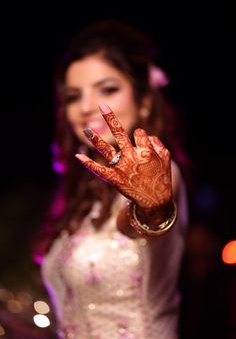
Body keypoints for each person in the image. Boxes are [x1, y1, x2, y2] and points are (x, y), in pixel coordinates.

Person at [33, 19, 189, 339]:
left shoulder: (160, 173)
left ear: (144, 101)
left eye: (107, 90)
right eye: (74, 96)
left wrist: (151, 211)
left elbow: (136, 221)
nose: (87, 107)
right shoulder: (78, 196)